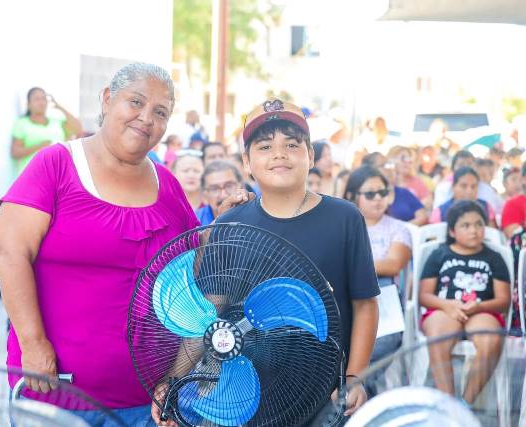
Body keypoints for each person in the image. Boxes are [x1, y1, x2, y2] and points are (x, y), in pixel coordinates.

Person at [0, 63, 250, 426]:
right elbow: (9, 252)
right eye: (136, 102)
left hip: (143, 399)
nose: (146, 118)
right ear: (107, 99)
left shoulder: (167, 185)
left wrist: (221, 223)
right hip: (56, 391)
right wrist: (32, 344)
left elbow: (189, 268)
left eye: (160, 112)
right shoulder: (56, 164)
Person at [174, 99, 380, 420]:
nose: (279, 154)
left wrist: (355, 376)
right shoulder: (230, 224)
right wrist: (172, 379)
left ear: (311, 155)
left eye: (292, 145)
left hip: (324, 392)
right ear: (247, 161)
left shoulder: (344, 218)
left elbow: (365, 304)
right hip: (245, 392)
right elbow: (208, 312)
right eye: (265, 146)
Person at [420, 200, 510, 404]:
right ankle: (448, 404)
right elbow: (424, 295)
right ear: (452, 231)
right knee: (438, 337)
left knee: (490, 340)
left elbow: (503, 300)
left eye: (479, 224)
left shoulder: (494, 258)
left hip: (482, 310)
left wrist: (479, 306)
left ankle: (465, 404)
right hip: (444, 310)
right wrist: (447, 305)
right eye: (465, 225)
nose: (474, 230)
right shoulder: (439, 255)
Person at [344, 166, 412, 361]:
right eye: (370, 194)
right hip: (344, 301)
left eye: (382, 192)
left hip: (384, 301)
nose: (378, 198)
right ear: (352, 195)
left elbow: (393, 265)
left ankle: (356, 378)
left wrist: (350, 268)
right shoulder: (341, 226)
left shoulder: (398, 228)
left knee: (372, 349)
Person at [11, 87, 83, 177]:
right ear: (28, 104)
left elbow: (78, 129)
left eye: (43, 98)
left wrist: (59, 107)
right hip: (32, 176)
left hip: (56, 177)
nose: (41, 102)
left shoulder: (56, 122)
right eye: (36, 99)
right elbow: (15, 152)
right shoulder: (22, 124)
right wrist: (39, 146)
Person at [362, 152, 428, 226]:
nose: (389, 168)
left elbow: (422, 216)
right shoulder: (366, 198)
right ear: (371, 170)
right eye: (384, 165)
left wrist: (403, 229)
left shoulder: (403, 192)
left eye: (389, 164)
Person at [430, 167, 497, 227]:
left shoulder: (486, 208)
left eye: (473, 186)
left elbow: (492, 234)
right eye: (464, 186)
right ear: (453, 187)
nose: (469, 191)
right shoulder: (440, 212)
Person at [195, 160, 243, 225]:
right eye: (214, 189)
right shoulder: (195, 222)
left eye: (229, 186)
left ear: (240, 187)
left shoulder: (254, 215)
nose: (223, 195)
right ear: (205, 196)